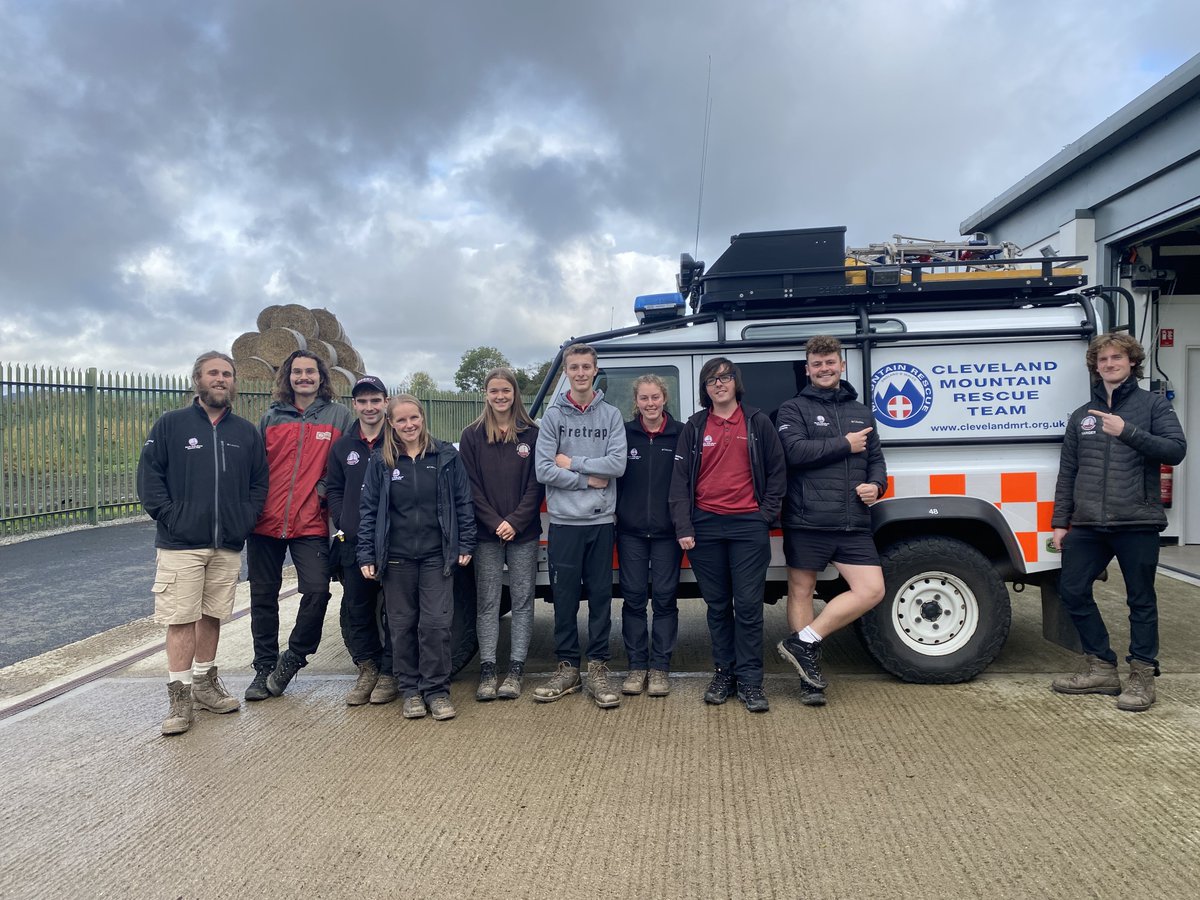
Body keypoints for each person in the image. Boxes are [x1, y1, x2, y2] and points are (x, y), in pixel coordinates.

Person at [1050, 332, 1186, 712]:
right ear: (1095, 366)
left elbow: (1176, 450)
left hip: (1137, 520)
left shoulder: (1153, 406)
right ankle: (1101, 666)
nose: (1109, 364)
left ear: (1132, 363)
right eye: (1103, 359)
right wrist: (1061, 521)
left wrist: (1126, 431)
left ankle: (1142, 675)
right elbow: (1069, 472)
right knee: (1073, 590)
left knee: (1140, 600)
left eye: (1117, 358)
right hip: (1089, 523)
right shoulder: (1081, 416)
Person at [137, 351, 268, 735]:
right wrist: (172, 517)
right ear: (197, 379)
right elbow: (150, 478)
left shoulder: (245, 432)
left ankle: (205, 684)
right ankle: (179, 697)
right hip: (181, 544)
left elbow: (259, 483)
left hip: (227, 543)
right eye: (213, 373)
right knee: (180, 618)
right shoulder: (170, 425)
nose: (221, 379)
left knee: (213, 615)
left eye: (227, 374)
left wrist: (245, 519)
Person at [775, 335, 887, 706]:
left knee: (872, 589)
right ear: (807, 369)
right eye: (817, 363)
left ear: (841, 365)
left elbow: (876, 459)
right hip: (806, 518)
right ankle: (809, 679)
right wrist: (844, 444)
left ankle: (802, 643)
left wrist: (876, 485)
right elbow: (793, 453)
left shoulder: (862, 411)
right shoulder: (792, 409)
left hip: (853, 519)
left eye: (830, 362)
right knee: (801, 591)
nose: (824, 369)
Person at [669, 357, 786, 713]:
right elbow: (679, 482)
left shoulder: (757, 422)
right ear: (705, 389)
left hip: (747, 526)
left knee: (749, 608)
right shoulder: (694, 426)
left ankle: (751, 682)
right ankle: (724, 674)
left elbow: (778, 473)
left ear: (737, 382)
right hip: (705, 527)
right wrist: (684, 526)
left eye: (725, 377)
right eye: (712, 380)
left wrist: (763, 516)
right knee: (718, 608)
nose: (719, 384)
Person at [357, 394, 476, 721]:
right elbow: (369, 510)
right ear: (391, 424)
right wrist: (366, 552)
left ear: (422, 418)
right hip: (396, 559)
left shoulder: (445, 456)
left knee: (436, 624)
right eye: (401, 420)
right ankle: (410, 690)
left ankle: (436, 691)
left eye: (414, 418)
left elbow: (463, 502)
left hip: (437, 557)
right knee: (402, 625)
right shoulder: (382, 462)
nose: (409, 425)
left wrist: (465, 543)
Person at [245, 350, 352, 701]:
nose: (303, 377)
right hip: (266, 521)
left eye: (310, 371)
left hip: (311, 522)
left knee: (318, 590)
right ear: (287, 378)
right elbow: (256, 467)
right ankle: (263, 667)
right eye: (297, 372)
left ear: (322, 377)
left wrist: (321, 492)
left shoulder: (339, 416)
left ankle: (294, 656)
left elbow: (345, 465)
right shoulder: (270, 418)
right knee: (263, 597)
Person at [533, 343, 628, 708]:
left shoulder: (612, 416)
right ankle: (568, 667)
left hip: (602, 522)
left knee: (602, 597)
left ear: (595, 370)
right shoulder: (554, 417)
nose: (581, 373)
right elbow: (543, 469)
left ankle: (599, 668)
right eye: (574, 367)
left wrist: (570, 462)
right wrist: (587, 478)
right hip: (564, 523)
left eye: (586, 367)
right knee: (565, 600)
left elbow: (617, 465)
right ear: (567, 372)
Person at [459, 368, 543, 701]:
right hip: (486, 534)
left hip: (524, 533)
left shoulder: (532, 434)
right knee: (488, 603)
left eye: (505, 390)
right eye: (494, 391)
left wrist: (516, 521)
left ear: (515, 393)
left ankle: (516, 670)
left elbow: (537, 484)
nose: (500, 396)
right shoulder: (472, 435)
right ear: (486, 394)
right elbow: (470, 486)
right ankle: (488, 670)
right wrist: (495, 522)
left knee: (523, 602)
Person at [326, 375, 397, 707]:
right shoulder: (342, 446)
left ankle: (390, 673)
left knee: (397, 610)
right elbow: (334, 489)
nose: (369, 407)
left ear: (385, 402)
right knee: (359, 609)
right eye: (362, 401)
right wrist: (343, 520)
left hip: (395, 541)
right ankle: (367, 668)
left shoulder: (399, 439)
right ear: (354, 405)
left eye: (375, 400)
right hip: (355, 542)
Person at [616, 374, 683, 698]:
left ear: (664, 398)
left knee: (666, 599)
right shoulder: (624, 434)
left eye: (655, 397)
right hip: (630, 532)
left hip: (668, 533)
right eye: (644, 398)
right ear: (636, 401)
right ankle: (636, 667)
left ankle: (660, 669)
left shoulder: (681, 433)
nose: (650, 403)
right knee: (633, 599)